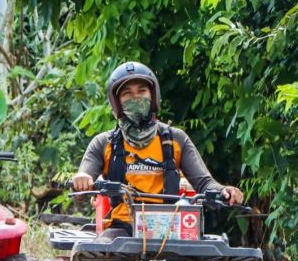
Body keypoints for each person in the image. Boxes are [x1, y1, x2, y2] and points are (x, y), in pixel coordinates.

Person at [71, 61, 244, 240]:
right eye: (127, 93)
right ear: (117, 102)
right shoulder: (103, 143)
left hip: (171, 231)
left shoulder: (176, 139)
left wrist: (225, 190)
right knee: (101, 252)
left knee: (203, 260)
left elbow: (204, 183)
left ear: (153, 96)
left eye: (142, 91)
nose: (136, 98)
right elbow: (81, 187)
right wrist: (82, 180)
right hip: (122, 230)